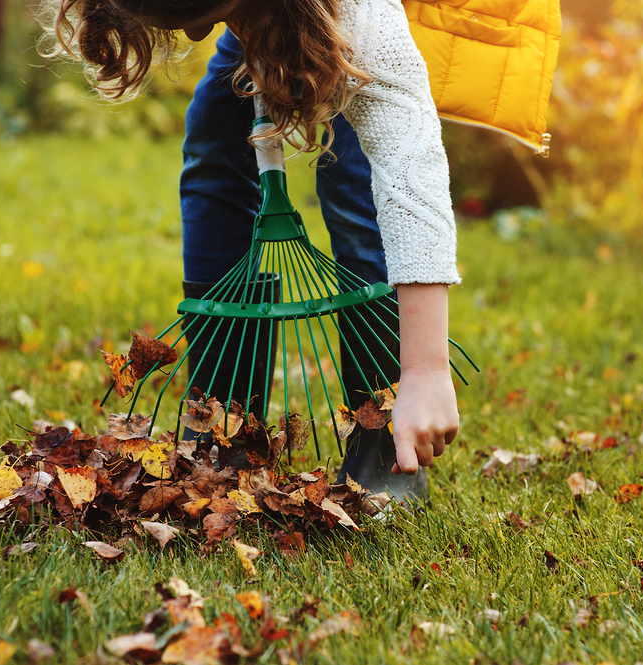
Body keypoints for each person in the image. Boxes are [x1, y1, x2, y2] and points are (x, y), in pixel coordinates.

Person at [40, 0, 464, 503]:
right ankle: (223, 425)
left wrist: (427, 370)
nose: (197, 35)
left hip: (331, 21)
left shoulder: (365, 22)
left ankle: (384, 430)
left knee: (353, 166)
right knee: (217, 128)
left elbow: (409, 163)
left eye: (202, 18)